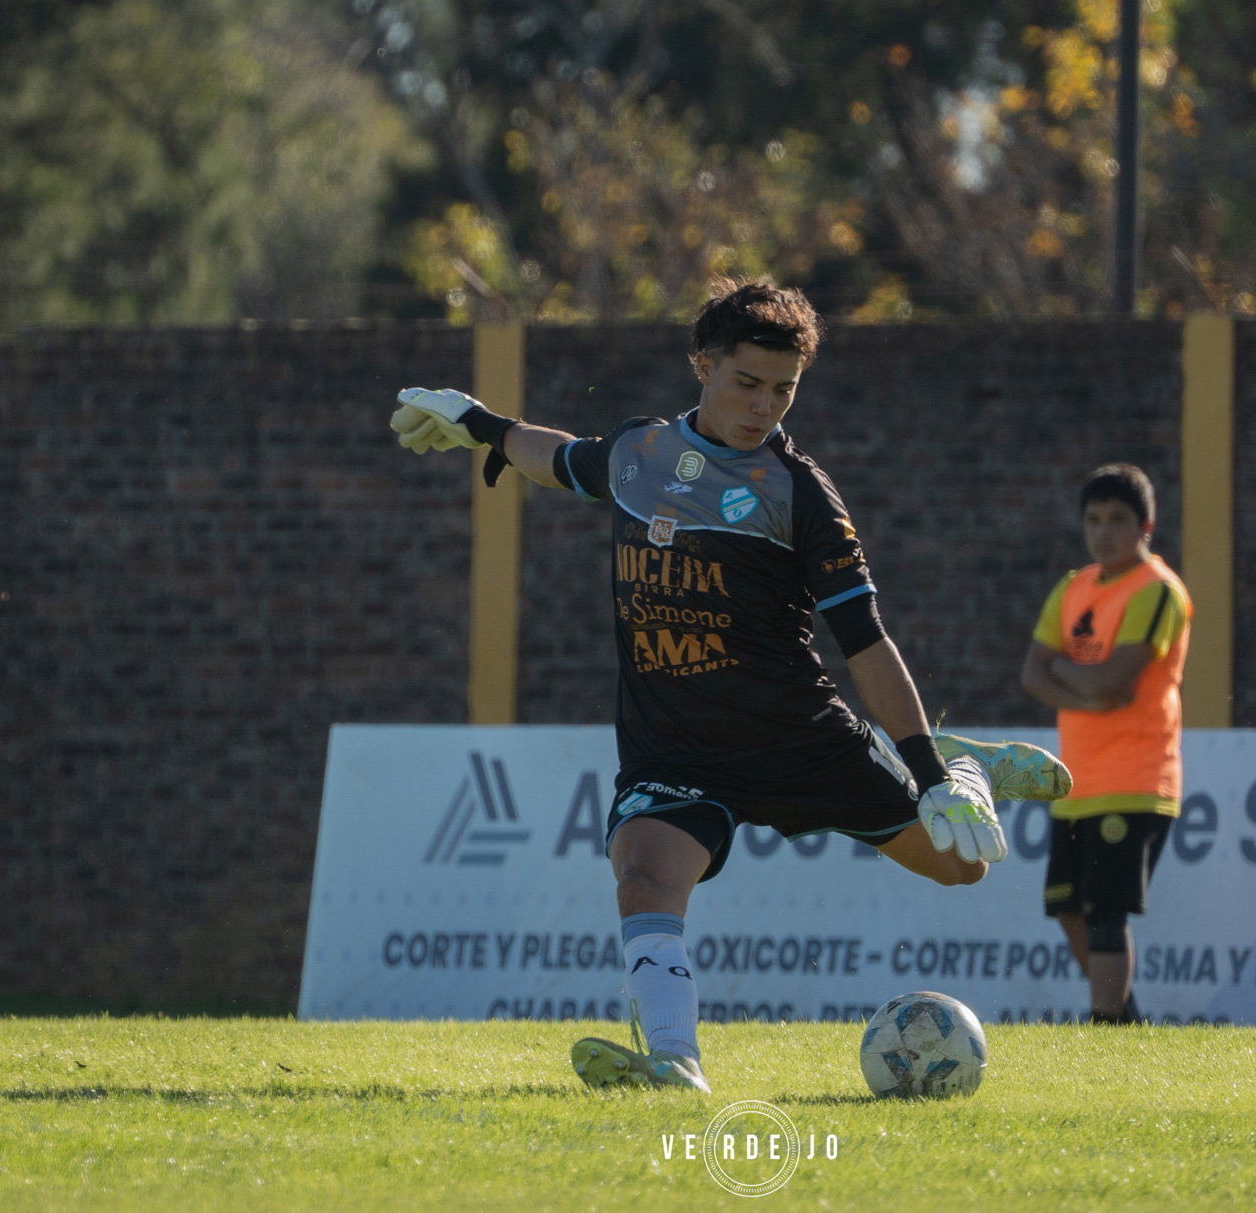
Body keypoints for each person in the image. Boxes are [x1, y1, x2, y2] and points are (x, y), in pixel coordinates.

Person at [388, 278, 1070, 1092]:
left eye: (784, 390)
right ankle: (676, 1062)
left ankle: (965, 767)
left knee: (962, 868)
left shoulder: (801, 493)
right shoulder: (640, 454)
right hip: (674, 743)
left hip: (796, 738)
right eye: (748, 383)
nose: (764, 407)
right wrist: (481, 426)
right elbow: (562, 460)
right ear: (702, 365)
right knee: (642, 871)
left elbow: (867, 643)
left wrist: (929, 779)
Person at [1019, 464, 1191, 1025]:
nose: (1104, 532)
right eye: (1093, 520)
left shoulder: (1158, 590)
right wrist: (1086, 689)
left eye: (1118, 520)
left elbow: (1113, 682)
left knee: (1105, 910)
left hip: (1137, 779)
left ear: (1146, 525)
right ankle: (1125, 1021)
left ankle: (1104, 1026)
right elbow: (1031, 674)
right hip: (1076, 781)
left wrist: (1074, 680)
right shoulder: (1073, 588)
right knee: (1067, 908)